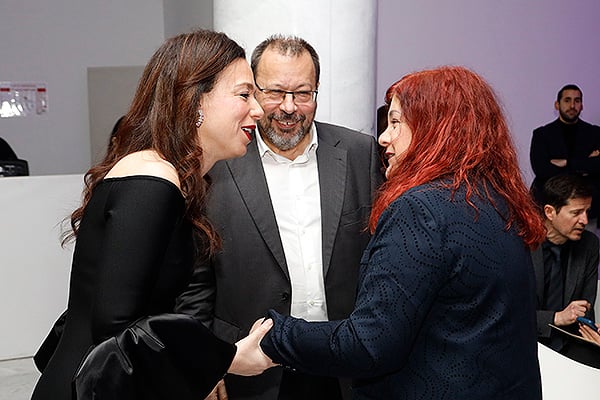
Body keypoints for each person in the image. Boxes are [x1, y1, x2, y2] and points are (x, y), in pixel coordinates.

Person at [250, 66, 547, 399]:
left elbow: (368, 345)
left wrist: (275, 334)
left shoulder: (421, 209)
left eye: (395, 123)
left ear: (436, 129)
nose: (383, 138)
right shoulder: (498, 201)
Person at [30, 29, 270, 400]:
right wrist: (226, 358)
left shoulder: (161, 175)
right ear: (195, 102)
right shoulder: (153, 180)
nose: (258, 109)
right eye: (243, 94)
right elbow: (116, 324)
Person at [175, 34, 383, 400]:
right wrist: (204, 365)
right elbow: (196, 283)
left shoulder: (359, 154)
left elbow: (379, 259)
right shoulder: (219, 162)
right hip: (250, 369)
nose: (289, 107)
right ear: (253, 93)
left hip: (344, 367)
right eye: (274, 92)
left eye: (303, 93)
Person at [532, 173, 599, 368]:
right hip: (525, 341)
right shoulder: (521, 244)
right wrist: (555, 318)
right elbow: (508, 313)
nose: (585, 220)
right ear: (550, 212)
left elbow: (586, 309)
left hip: (570, 344)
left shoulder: (589, 245)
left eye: (587, 211)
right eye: (576, 213)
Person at [530, 84, 600, 223]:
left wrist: (566, 162)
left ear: (582, 105)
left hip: (586, 211)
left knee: (588, 245)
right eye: (567, 100)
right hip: (550, 207)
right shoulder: (542, 134)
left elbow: (597, 166)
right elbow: (542, 170)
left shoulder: (595, 133)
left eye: (577, 101)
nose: (572, 105)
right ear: (557, 104)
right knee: (545, 245)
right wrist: (583, 165)